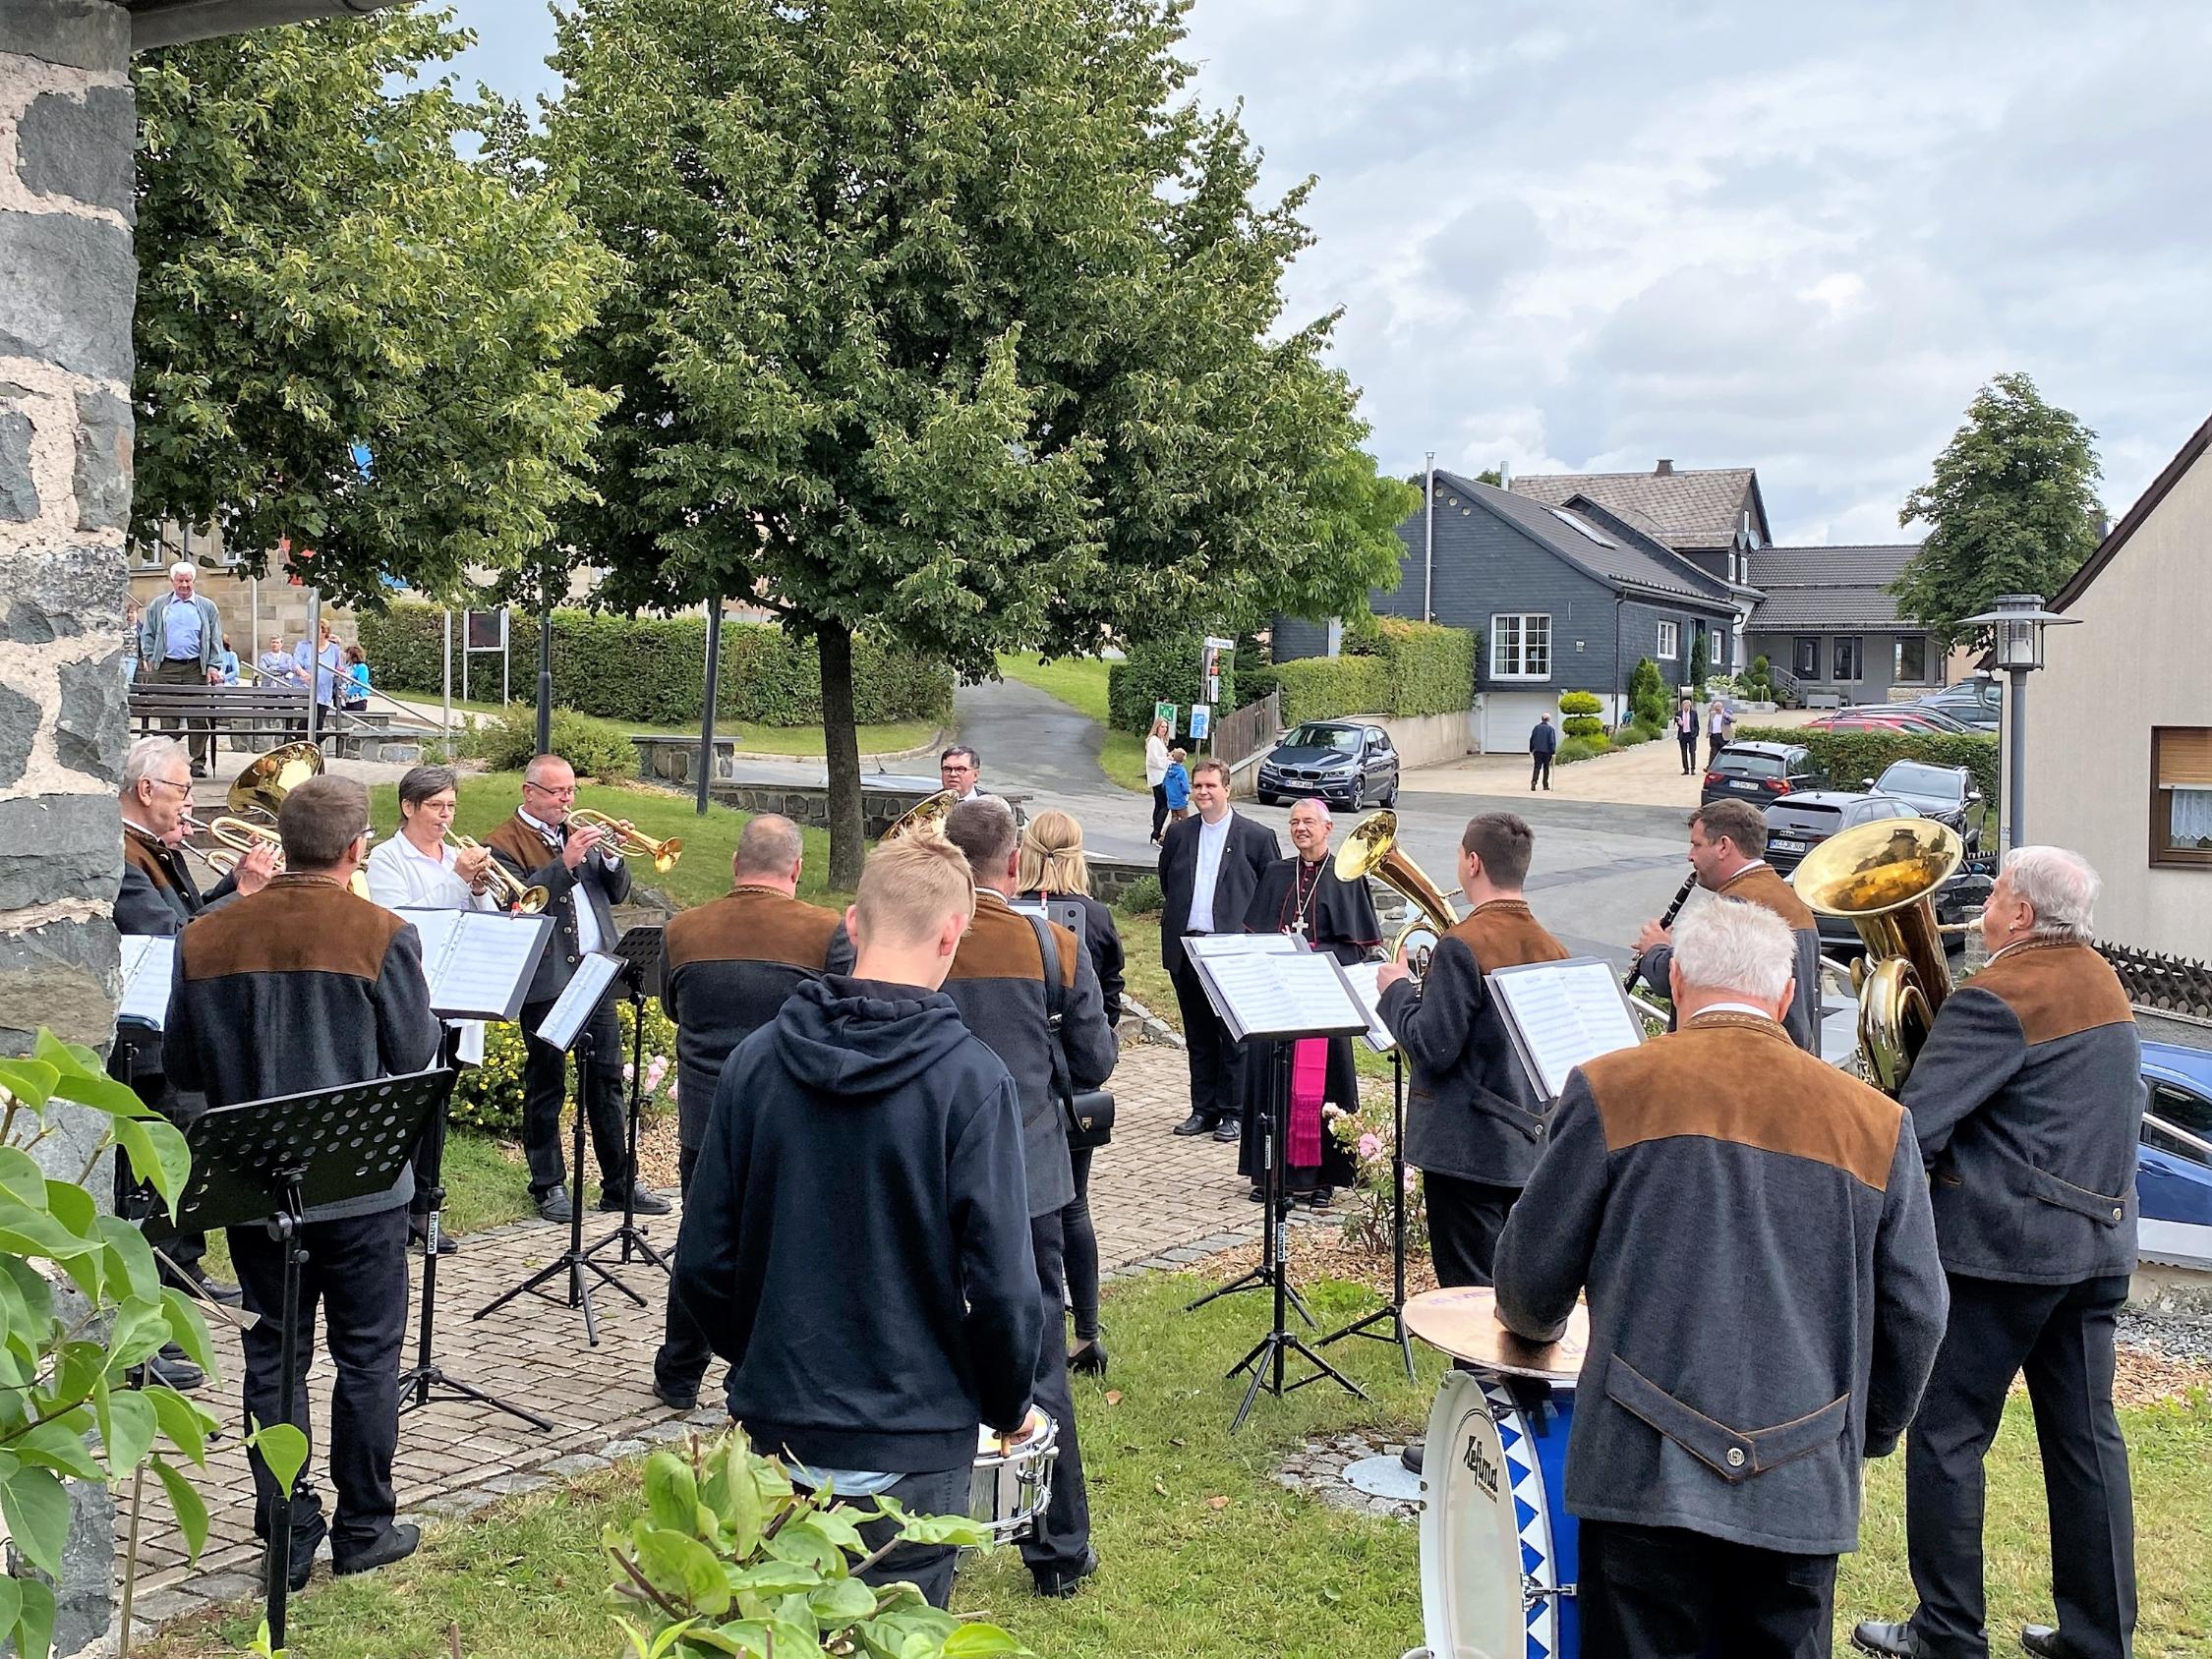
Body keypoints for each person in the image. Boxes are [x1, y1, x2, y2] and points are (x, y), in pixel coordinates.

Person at [1495, 899, 1948, 1659]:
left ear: (1675, 984)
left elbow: (1530, 1282)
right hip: (1801, 1479)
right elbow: (1919, 1311)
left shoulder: (1614, 1088)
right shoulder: (1876, 1124)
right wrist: (1863, 1432)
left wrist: (1536, 1326)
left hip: (1642, 1475)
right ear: (1785, 997)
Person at [671, 834, 1042, 1611]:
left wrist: (764, 1353)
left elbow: (703, 1262)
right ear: (952, 936)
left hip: (778, 1420)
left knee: (778, 1633)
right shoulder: (973, 1080)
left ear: (851, 924)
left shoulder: (753, 1064)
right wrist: (1006, 1405)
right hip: (915, 1428)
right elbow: (1007, 1289)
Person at [1853, 848, 2142, 1659]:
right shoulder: (2101, 979)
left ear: (2021, 916)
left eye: (1994, 898)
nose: (1978, 911)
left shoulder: (1999, 995)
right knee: (2085, 1444)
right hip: (2096, 1247)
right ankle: (2098, 1639)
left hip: (2004, 1254)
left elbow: (1917, 1126)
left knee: (1947, 1435)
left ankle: (1947, 1633)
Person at [162, 773, 444, 1591]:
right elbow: (411, 1055)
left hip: (255, 1186)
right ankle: (364, 1529)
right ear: (357, 849)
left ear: (282, 845)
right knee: (366, 1358)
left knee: (274, 1362)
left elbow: (183, 1066)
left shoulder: (205, 936)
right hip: (361, 1191)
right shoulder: (379, 932)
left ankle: (283, 1533)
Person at [926, 799, 1116, 1597]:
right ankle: (1060, 1550)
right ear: (1013, 863)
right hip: (1029, 1179)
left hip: (929, 1175)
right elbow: (1097, 1062)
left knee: (931, 1357)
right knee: (1039, 1364)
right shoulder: (1055, 944)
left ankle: (932, 1537)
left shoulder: (918, 942)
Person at [651, 815, 841, 1412]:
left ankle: (680, 1372)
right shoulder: (826, 932)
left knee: (699, 1241)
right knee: (784, 1243)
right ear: (797, 870)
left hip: (706, 1115)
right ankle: (761, 1369)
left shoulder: (683, 929)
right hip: (795, 1119)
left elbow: (673, 1008)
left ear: (736, 866)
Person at [113, 736, 270, 1323]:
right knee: (168, 1165)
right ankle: (158, 1296)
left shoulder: (154, 845)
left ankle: (187, 1262)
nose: (189, 802)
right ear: (146, 789)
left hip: (178, 1026)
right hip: (149, 1038)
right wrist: (244, 899)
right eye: (182, 788)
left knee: (193, 1154)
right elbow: (172, 939)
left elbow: (190, 912)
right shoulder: (122, 856)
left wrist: (231, 885)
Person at [1377, 811, 1566, 1285]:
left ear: (1474, 863)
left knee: (1469, 1295)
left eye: (1460, 854)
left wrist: (1397, 990)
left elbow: (1432, 1047)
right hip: (1528, 1143)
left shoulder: (1461, 945)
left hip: (1468, 1148)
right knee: (1513, 1287)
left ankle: (1476, 1366)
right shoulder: (1553, 947)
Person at [484, 754, 669, 1223]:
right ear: (529, 792)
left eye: (571, 791)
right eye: (556, 792)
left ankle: (619, 1184)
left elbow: (617, 892)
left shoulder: (575, 831)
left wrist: (610, 855)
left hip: (597, 972)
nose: (567, 800)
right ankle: (548, 1185)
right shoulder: (501, 843)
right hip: (548, 981)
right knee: (546, 1083)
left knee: (606, 1080)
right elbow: (517, 902)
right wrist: (564, 864)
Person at [363, 764, 498, 1257]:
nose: (446, 817)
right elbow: (404, 923)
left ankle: (428, 1208)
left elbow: (482, 921)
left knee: (438, 1108)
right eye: (437, 807)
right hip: (412, 995)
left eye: (452, 807)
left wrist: (479, 890)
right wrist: (457, 880)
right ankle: (399, 1210)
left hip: (457, 992)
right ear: (409, 807)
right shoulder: (385, 858)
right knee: (410, 1109)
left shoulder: (454, 855)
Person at [1017, 809, 1123, 1377]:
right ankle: (1084, 1334)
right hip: (1076, 1076)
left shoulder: (1007, 915)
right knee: (1074, 1205)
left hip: (1019, 1075)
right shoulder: (1097, 919)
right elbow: (1110, 996)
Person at [1238, 798, 1379, 1205]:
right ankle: (1270, 1175)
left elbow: (1357, 948)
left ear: (1327, 828)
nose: (1300, 828)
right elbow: (1255, 939)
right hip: (1280, 999)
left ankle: (1322, 1179)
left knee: (1324, 1088)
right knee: (1271, 1081)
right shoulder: (1276, 872)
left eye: (1308, 822)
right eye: (1294, 821)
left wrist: (1311, 952)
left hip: (1322, 999)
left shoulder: (1346, 875)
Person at [1631, 798, 1822, 1051]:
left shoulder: (1737, 906)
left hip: (1745, 1059)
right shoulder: (1787, 897)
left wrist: (1655, 951)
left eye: (1696, 845)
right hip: (1788, 1057)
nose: (1690, 856)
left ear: (1723, 846)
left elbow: (1693, 981)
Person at [1157, 758, 1280, 1140]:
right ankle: (1203, 1109)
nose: (1203, 793)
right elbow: (1166, 880)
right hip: (1187, 945)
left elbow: (1270, 890)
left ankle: (1234, 1111)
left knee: (1231, 1034)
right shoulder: (1179, 835)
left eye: (1211, 785)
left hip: (1231, 950)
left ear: (1227, 788)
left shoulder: (1256, 836)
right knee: (1198, 1034)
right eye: (1198, 786)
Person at [139, 562, 225, 776]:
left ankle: (197, 763)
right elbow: (147, 633)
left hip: (196, 668)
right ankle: (169, 763)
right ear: (173, 581)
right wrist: (149, 656)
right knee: (169, 716)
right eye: (180, 581)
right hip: (166, 667)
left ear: (193, 581)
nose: (184, 585)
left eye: (188, 581)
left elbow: (215, 638)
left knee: (198, 717)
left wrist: (214, 665)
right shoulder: (160, 605)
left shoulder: (206, 607)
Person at [295, 619, 344, 732]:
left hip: (324, 692)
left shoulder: (334, 649)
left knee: (319, 724)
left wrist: (340, 674)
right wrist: (303, 673)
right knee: (305, 723)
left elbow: (339, 668)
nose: (313, 632)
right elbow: (295, 664)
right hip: (305, 690)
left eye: (317, 630)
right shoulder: (303, 646)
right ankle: (299, 744)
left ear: (325, 632)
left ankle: (314, 746)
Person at [1144, 718, 1174, 844]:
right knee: (1165, 805)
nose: (1164, 729)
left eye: (1166, 727)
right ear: (1156, 727)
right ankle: (1157, 832)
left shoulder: (1161, 741)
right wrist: (1167, 760)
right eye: (1162, 727)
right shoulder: (1154, 741)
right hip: (1158, 777)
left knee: (1159, 805)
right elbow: (1153, 760)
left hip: (1161, 776)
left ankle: (1156, 832)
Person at [1529, 712, 1558, 791]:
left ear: (1542, 719)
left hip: (1537, 751)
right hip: (1547, 751)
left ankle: (1534, 781)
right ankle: (1545, 785)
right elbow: (1552, 741)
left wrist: (1531, 749)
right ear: (1548, 719)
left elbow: (1532, 739)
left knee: (1537, 767)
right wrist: (1553, 751)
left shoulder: (1536, 728)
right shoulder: (1550, 729)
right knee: (1546, 768)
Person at [1163, 746, 1192, 826]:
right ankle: (1185, 836)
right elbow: (1184, 785)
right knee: (1185, 819)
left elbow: (1165, 782)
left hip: (1171, 798)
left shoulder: (1169, 769)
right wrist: (1188, 791)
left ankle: (1167, 835)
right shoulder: (1181, 771)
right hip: (1180, 799)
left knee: (1174, 818)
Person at [1672, 695, 1698, 774]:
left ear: (1690, 706)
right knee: (1683, 752)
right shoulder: (1679, 713)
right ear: (1682, 706)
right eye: (1684, 705)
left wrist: (1695, 734)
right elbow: (1675, 720)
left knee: (1692, 752)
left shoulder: (1694, 713)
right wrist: (1678, 722)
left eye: (1687, 706)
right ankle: (1686, 769)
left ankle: (1693, 768)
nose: (1685, 707)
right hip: (1683, 735)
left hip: (1691, 735)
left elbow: (1696, 724)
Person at [341, 643, 371, 712]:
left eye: (347, 653)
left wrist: (348, 693)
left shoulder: (362, 667)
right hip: (346, 701)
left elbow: (361, 683)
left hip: (357, 700)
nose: (345, 655)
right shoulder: (348, 666)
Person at [1706, 697, 1733, 766]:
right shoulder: (1712, 713)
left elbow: (1734, 720)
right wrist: (1709, 732)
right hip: (1714, 735)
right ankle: (1710, 766)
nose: (1717, 710)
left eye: (1718, 708)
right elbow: (1709, 723)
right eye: (1716, 708)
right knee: (1713, 752)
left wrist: (1725, 715)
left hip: (1723, 736)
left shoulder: (1726, 713)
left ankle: (1723, 766)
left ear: (1721, 707)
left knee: (1724, 752)